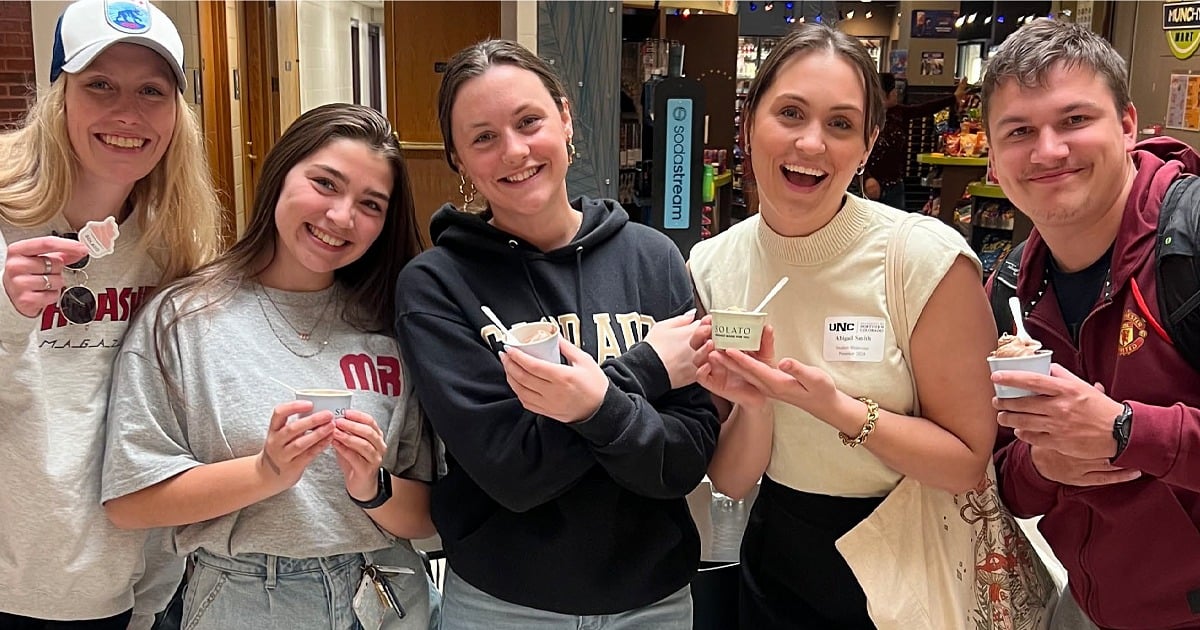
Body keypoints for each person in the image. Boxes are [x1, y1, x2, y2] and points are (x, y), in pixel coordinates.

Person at [393, 39, 719, 629]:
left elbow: (684, 460)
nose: (514, 151)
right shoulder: (437, 286)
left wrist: (585, 412)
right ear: (459, 160)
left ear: (565, 119)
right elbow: (512, 473)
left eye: (528, 121)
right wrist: (641, 373)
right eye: (483, 137)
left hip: (655, 605)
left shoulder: (653, 258)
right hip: (503, 607)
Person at [689, 23, 998, 628]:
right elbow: (729, 478)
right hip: (778, 559)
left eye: (840, 124)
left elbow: (967, 462)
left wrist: (840, 410)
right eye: (790, 113)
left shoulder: (921, 258)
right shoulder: (713, 264)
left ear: (867, 143)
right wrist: (755, 405)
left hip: (910, 552)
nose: (810, 143)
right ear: (750, 121)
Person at [100, 104, 436, 629]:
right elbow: (129, 501)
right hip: (246, 598)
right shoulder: (184, 319)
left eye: (371, 204)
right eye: (325, 183)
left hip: (388, 590)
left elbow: (422, 515)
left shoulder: (390, 329)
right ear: (279, 176)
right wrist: (265, 472)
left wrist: (373, 484)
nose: (342, 216)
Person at [0, 0, 222, 627]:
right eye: (99, 84)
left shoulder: (175, 246)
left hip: (137, 582)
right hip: (17, 582)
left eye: (152, 90)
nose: (128, 112)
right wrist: (7, 311)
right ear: (59, 98)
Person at [982, 19, 1200, 630]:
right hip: (1087, 606)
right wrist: (1043, 465)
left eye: (1075, 121)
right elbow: (1008, 479)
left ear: (1129, 125)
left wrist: (1128, 431)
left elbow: (1120, 435)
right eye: (1020, 131)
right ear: (995, 160)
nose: (1048, 151)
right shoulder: (1012, 288)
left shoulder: (1190, 244)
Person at [862, 73, 967, 209]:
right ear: (882, 93)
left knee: (896, 225)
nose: (896, 94)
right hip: (870, 183)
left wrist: (953, 98)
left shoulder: (898, 113)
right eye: (894, 90)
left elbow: (926, 108)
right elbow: (856, 150)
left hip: (895, 185)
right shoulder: (865, 118)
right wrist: (867, 178)